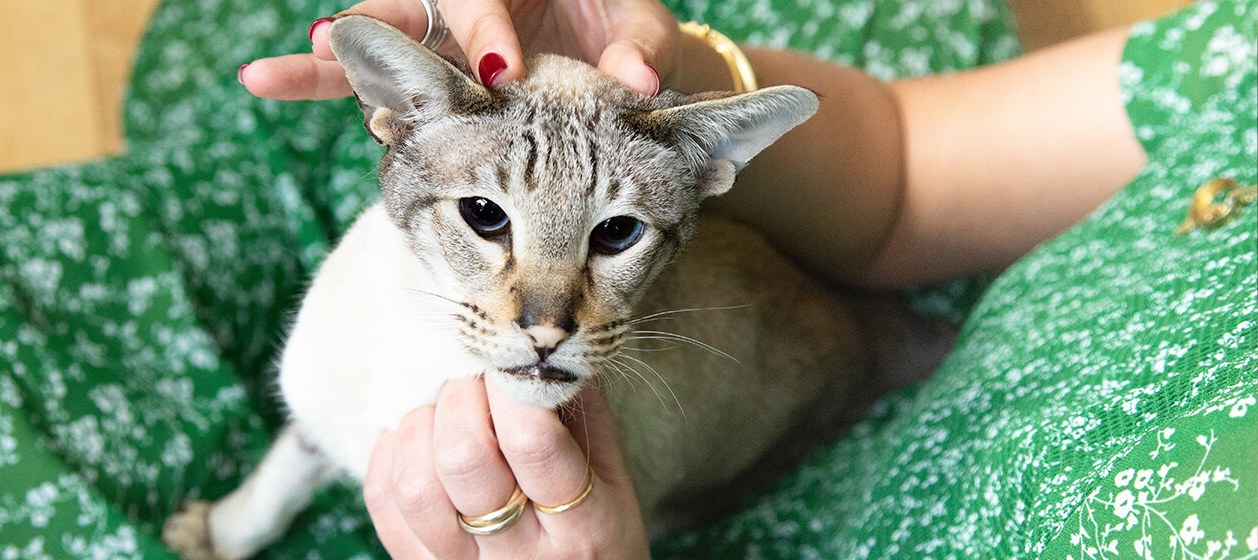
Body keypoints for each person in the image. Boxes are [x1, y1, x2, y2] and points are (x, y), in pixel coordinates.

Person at [240, 0, 1255, 558]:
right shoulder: (1232, 62)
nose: (544, 316)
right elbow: (901, 169)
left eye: (611, 236)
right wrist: (641, 67)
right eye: (491, 219)